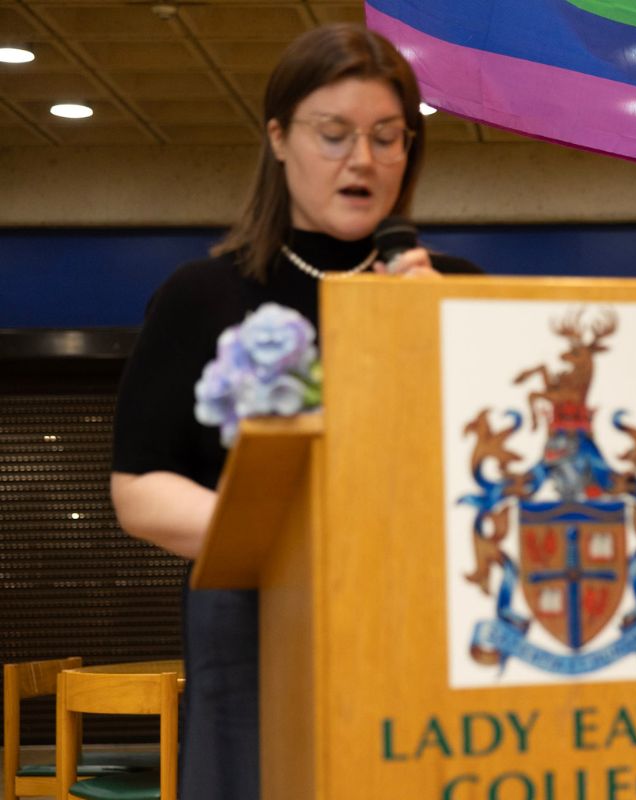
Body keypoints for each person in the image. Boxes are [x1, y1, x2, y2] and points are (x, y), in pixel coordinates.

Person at [110, 24, 477, 800]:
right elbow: (140, 489)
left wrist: (447, 333)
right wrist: (297, 539)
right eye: (334, 134)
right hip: (257, 626)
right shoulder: (203, 296)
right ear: (278, 138)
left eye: (387, 137)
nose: (362, 159)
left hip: (424, 615)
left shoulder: (454, 290)